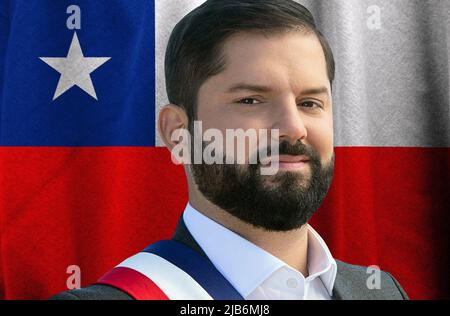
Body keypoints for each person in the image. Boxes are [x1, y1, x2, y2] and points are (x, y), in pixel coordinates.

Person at [51, 0, 408, 300]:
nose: (294, 128)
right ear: (178, 132)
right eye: (250, 100)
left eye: (310, 102)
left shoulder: (382, 292)